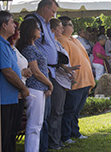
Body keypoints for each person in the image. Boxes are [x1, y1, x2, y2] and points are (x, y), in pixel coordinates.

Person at [0, 11, 29, 152]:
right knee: (0, 140)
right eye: (12, 22)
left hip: (8, 99)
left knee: (9, 138)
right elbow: (8, 72)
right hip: (0, 101)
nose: (15, 25)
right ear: (3, 25)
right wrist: (22, 87)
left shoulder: (4, 44)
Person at [25, 0, 59, 152]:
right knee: (37, 122)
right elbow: (35, 69)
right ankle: (39, 148)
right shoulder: (33, 21)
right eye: (52, 11)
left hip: (47, 74)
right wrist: (49, 83)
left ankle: (42, 147)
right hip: (37, 82)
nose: (53, 15)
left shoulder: (45, 23)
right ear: (45, 8)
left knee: (42, 119)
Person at [16, 19, 53, 152]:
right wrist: (49, 84)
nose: (40, 30)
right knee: (34, 125)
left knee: (38, 124)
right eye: (37, 28)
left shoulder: (33, 46)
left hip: (40, 88)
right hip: (34, 88)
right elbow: (36, 71)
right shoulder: (28, 48)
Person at [58, 16, 95, 144]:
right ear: (62, 27)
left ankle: (75, 132)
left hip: (85, 80)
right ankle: (66, 135)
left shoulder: (74, 39)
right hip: (75, 81)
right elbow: (64, 62)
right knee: (69, 110)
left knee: (76, 111)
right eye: (70, 25)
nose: (72, 27)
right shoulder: (61, 40)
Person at [48, 18, 79, 150]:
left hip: (64, 80)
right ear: (52, 30)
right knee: (56, 112)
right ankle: (53, 142)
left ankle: (58, 139)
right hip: (56, 80)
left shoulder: (57, 43)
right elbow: (54, 61)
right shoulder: (51, 44)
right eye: (59, 28)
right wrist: (65, 68)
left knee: (59, 112)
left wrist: (70, 73)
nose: (62, 30)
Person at [7, 21, 32, 139]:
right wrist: (22, 73)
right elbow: (8, 71)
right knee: (10, 128)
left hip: (21, 89)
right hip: (14, 91)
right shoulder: (6, 48)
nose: (19, 32)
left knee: (14, 127)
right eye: (17, 29)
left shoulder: (14, 48)